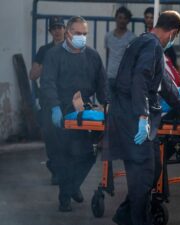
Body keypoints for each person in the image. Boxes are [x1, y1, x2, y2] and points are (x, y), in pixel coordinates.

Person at [104, 10, 180, 225]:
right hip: (133, 117)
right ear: (173, 33)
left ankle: (124, 215)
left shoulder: (145, 42)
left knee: (153, 168)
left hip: (131, 114)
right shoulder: (152, 45)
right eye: (175, 37)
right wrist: (142, 117)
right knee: (143, 175)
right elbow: (140, 79)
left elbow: (165, 83)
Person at [40, 16, 109, 212]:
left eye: (85, 34)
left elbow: (102, 86)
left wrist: (107, 106)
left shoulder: (93, 57)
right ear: (68, 33)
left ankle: (71, 186)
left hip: (83, 113)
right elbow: (48, 83)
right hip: (60, 113)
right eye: (78, 33)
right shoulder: (54, 55)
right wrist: (54, 107)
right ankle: (65, 197)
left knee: (89, 154)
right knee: (65, 157)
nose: (82, 37)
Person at [29, 16, 65, 185]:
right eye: (54, 28)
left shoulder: (70, 49)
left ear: (65, 29)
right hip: (48, 102)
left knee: (66, 139)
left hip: (65, 101)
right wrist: (48, 60)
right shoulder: (44, 50)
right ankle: (56, 169)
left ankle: (59, 169)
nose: (57, 31)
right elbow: (33, 75)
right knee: (51, 138)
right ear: (50, 31)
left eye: (60, 27)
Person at [105, 6, 136, 94]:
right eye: (120, 17)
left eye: (125, 18)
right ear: (116, 18)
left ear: (128, 20)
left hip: (125, 77)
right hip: (111, 75)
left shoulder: (132, 38)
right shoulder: (108, 36)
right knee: (109, 103)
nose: (122, 21)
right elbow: (108, 55)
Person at [144, 6, 180, 72]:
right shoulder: (145, 36)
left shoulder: (163, 39)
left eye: (152, 18)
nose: (149, 20)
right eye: (147, 17)